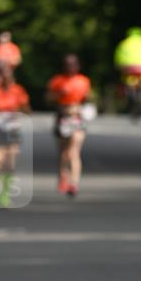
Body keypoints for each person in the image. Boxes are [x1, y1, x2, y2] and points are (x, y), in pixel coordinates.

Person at [0, 66, 31, 208]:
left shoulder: (18, 90)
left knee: (10, 164)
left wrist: (18, 113)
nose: (6, 80)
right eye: (4, 77)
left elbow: (26, 108)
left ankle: (5, 195)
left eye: (9, 77)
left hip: (13, 129)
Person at [45, 54, 92, 197]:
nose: (70, 67)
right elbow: (48, 98)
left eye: (73, 64)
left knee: (74, 151)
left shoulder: (83, 81)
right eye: (67, 64)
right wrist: (59, 94)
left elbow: (88, 98)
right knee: (63, 151)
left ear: (78, 66)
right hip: (63, 117)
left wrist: (82, 107)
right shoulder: (57, 81)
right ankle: (63, 175)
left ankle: (74, 183)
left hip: (77, 118)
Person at [114, 27, 141, 117]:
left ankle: (130, 92)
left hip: (128, 68)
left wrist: (119, 66)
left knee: (128, 81)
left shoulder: (124, 43)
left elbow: (118, 57)